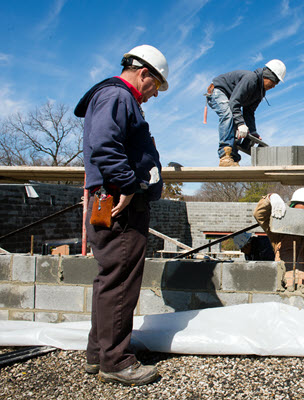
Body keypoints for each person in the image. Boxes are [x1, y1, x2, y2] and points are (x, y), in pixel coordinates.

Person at [74, 44, 169, 386]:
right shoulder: (118, 97)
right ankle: (116, 361)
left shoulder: (114, 98)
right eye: (155, 86)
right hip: (121, 204)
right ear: (144, 73)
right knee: (121, 282)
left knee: (110, 280)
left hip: (110, 201)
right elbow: (104, 143)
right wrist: (129, 184)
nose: (153, 95)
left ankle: (99, 354)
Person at [206, 59, 286, 167]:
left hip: (231, 98)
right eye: (274, 81)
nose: (274, 86)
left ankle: (232, 158)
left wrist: (252, 131)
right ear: (268, 76)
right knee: (228, 115)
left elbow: (249, 112)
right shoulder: (251, 79)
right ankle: (225, 155)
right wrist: (241, 124)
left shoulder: (260, 93)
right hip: (218, 91)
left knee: (236, 121)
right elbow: (235, 102)